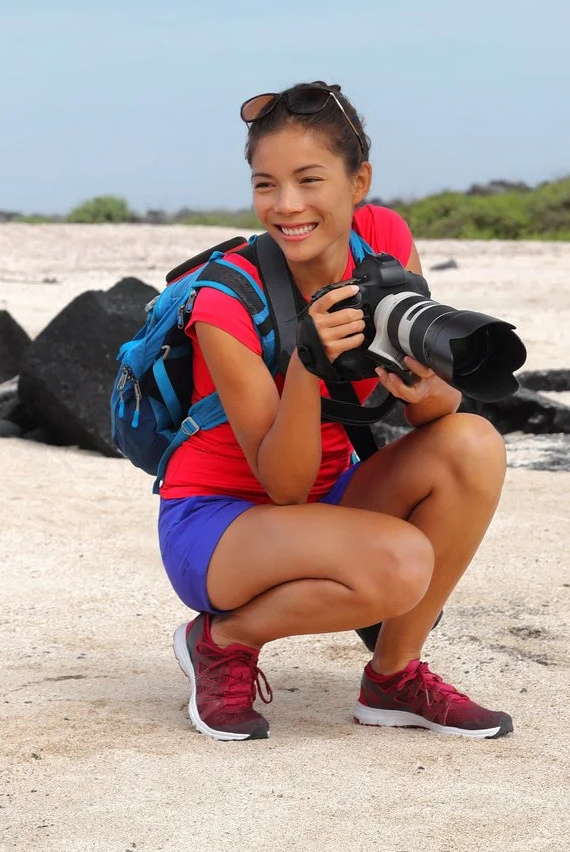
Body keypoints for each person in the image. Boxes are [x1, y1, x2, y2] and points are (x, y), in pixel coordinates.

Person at [159, 82, 513, 741]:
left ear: (358, 182)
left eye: (308, 180)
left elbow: (433, 412)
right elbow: (282, 486)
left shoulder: (381, 238)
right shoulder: (223, 302)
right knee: (400, 563)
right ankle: (221, 639)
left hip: (326, 498)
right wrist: (305, 360)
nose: (286, 206)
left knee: (472, 443)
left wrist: (420, 384)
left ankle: (393, 677)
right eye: (266, 185)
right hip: (219, 521)